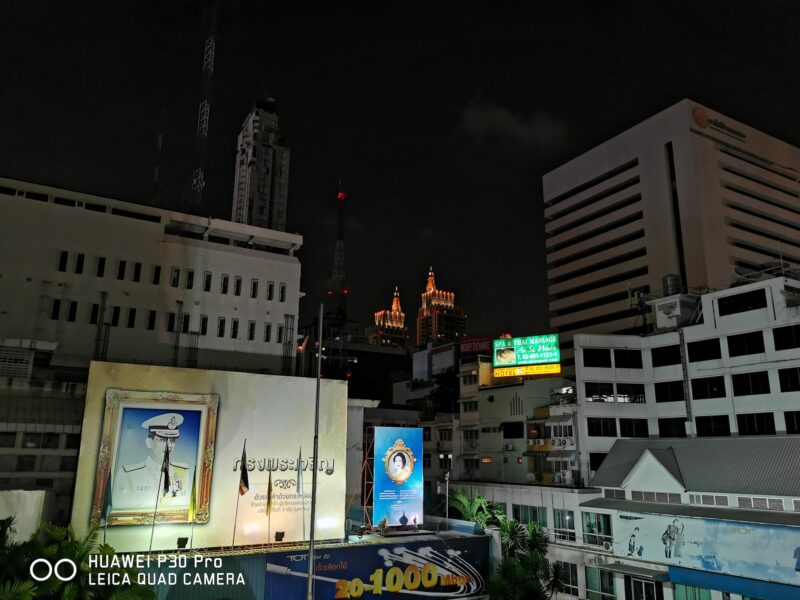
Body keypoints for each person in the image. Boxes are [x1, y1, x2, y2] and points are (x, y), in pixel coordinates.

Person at [112, 412, 190, 509]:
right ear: (149, 442)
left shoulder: (183, 471)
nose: (169, 445)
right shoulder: (128, 474)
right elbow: (118, 511)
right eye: (163, 440)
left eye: (172, 440)